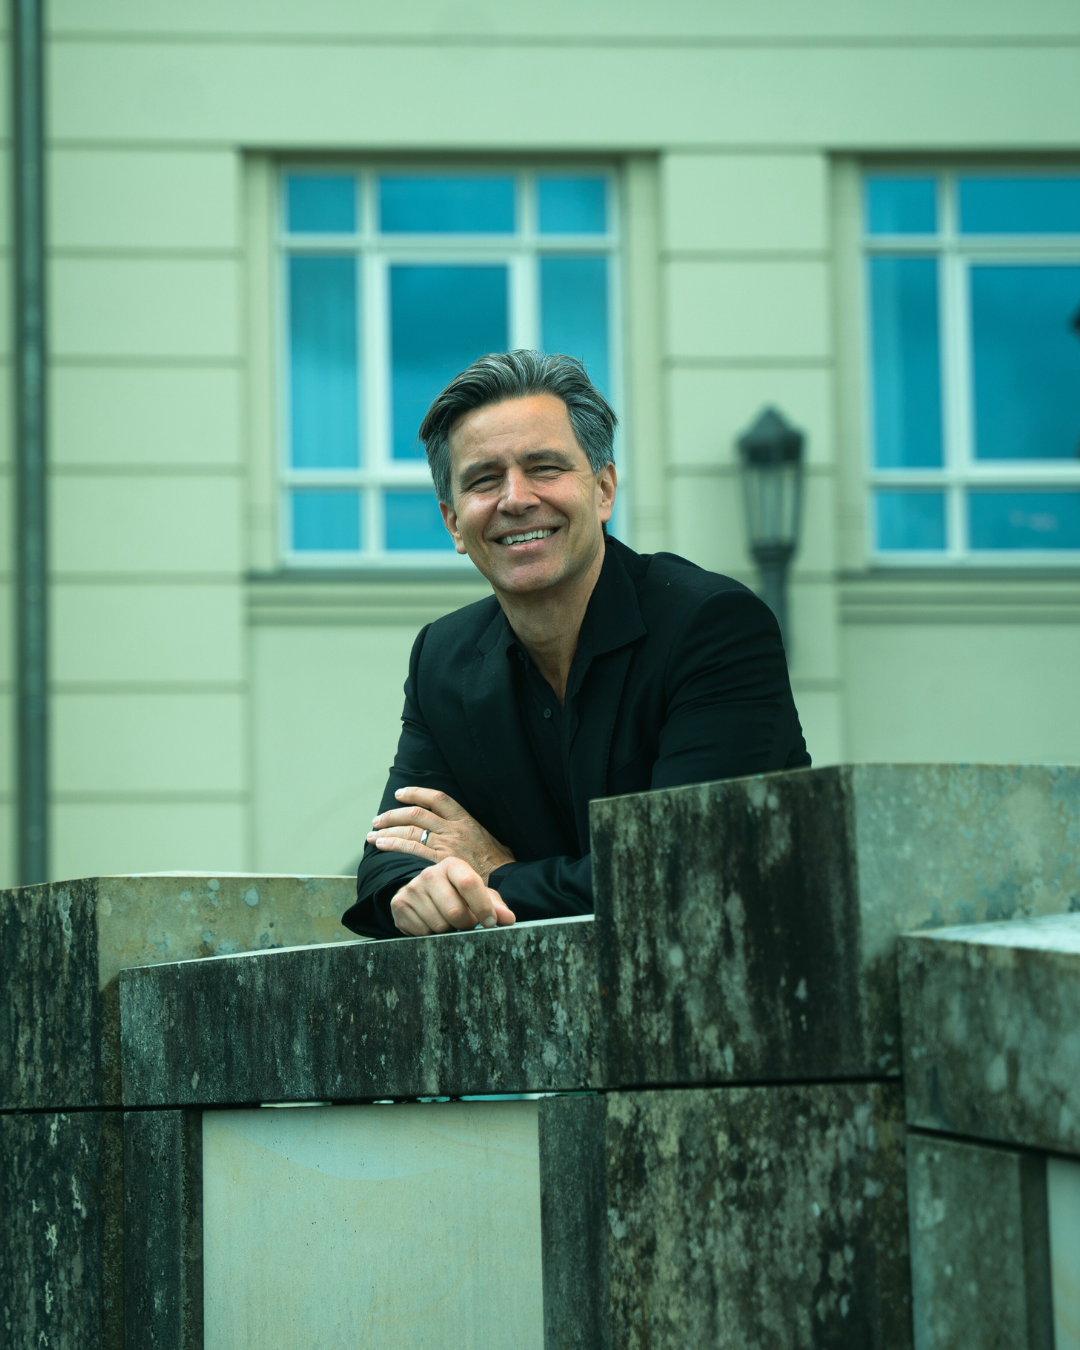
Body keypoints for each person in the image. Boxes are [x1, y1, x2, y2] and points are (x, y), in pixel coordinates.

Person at [343, 350, 810, 939]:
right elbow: (390, 852)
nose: (515, 498)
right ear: (454, 523)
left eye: (544, 468)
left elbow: (681, 873)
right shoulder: (444, 656)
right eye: (484, 479)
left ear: (604, 488)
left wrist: (497, 874)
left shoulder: (713, 628)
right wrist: (417, 894)